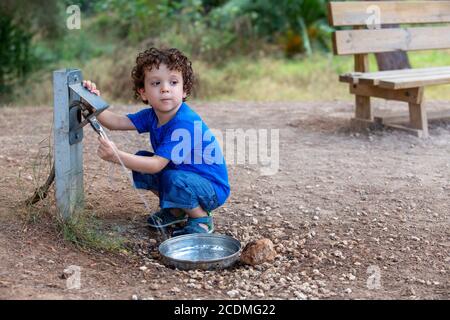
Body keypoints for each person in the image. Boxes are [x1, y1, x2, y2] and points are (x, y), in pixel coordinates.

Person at [83, 47, 230, 236]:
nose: (165, 88)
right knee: (141, 161)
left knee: (167, 175)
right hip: (186, 178)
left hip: (211, 189)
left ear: (184, 90)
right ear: (143, 93)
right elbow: (115, 122)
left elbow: (156, 165)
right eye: (156, 83)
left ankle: (201, 218)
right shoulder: (152, 115)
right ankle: (176, 211)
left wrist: (116, 156)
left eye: (173, 82)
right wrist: (91, 100)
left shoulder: (185, 122)